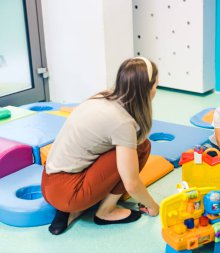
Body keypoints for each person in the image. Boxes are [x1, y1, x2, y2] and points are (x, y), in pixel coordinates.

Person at [41, 57, 160, 235]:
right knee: (141, 146)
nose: (155, 91)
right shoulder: (122, 122)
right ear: (147, 90)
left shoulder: (102, 97)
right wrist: (153, 206)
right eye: (156, 86)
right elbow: (132, 184)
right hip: (68, 192)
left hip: (48, 184)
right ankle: (106, 211)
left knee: (128, 146)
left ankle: (71, 211)